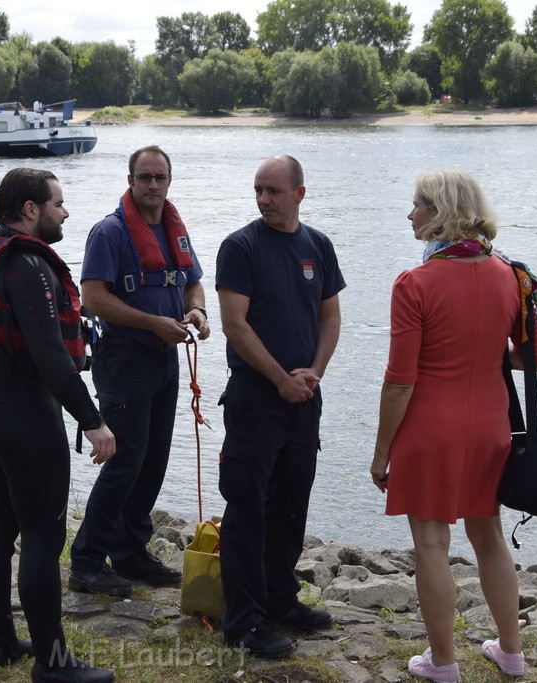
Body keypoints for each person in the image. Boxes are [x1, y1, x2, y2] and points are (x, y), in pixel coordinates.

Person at [370, 170, 537, 682]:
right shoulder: (511, 275)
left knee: (431, 544)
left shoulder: (415, 283)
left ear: (441, 213)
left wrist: (381, 450)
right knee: (489, 534)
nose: (409, 215)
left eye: (416, 206)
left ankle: (443, 664)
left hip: (431, 429)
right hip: (492, 427)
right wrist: (485, 347)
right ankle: (512, 654)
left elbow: (400, 381)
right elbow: (534, 358)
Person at [0, 168, 117, 683]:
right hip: (25, 411)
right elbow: (51, 355)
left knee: (0, 526)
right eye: (58, 202)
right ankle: (53, 664)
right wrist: (93, 420)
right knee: (43, 537)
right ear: (31, 209)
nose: (65, 211)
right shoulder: (29, 265)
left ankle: (2, 645)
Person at [215, 154, 346, 658]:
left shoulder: (319, 245)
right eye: (258, 191)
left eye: (274, 191)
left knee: (292, 502)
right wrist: (279, 380)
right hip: (256, 397)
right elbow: (235, 325)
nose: (265, 200)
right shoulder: (240, 246)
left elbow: (330, 318)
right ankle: (243, 621)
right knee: (248, 506)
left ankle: (280, 599)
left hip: (304, 397)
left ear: (300, 194)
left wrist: (313, 374)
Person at [69, 145, 209, 596]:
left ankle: (129, 552)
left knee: (153, 461)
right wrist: (154, 324)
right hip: (124, 360)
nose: (152, 185)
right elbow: (92, 297)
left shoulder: (174, 229)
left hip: (165, 360)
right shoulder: (109, 233)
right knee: (125, 461)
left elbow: (192, 282)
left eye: (160, 178)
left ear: (169, 181)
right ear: (131, 180)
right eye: (145, 177)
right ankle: (88, 560)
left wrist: (198, 312)